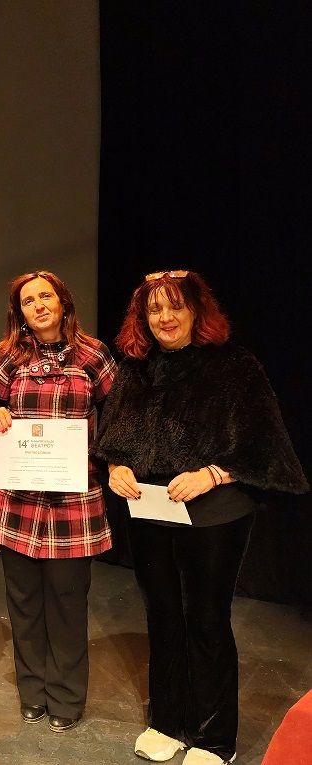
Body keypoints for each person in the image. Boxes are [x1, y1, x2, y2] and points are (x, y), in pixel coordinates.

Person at [93, 270, 307, 765]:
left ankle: (214, 739)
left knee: (207, 620)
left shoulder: (235, 367)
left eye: (175, 307)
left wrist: (211, 474)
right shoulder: (135, 368)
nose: (165, 318)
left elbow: (264, 448)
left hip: (215, 513)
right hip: (150, 510)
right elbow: (114, 440)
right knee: (162, 616)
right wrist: (117, 467)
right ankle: (167, 722)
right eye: (154, 310)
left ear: (196, 311)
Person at [0, 270, 117, 733]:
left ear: (63, 301)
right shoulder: (9, 356)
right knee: (24, 602)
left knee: (68, 602)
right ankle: (32, 690)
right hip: (16, 498)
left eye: (45, 296)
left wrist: (103, 460)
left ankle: (67, 697)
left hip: (72, 499)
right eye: (28, 301)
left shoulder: (93, 355)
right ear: (20, 313)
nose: (38, 305)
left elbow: (117, 420)